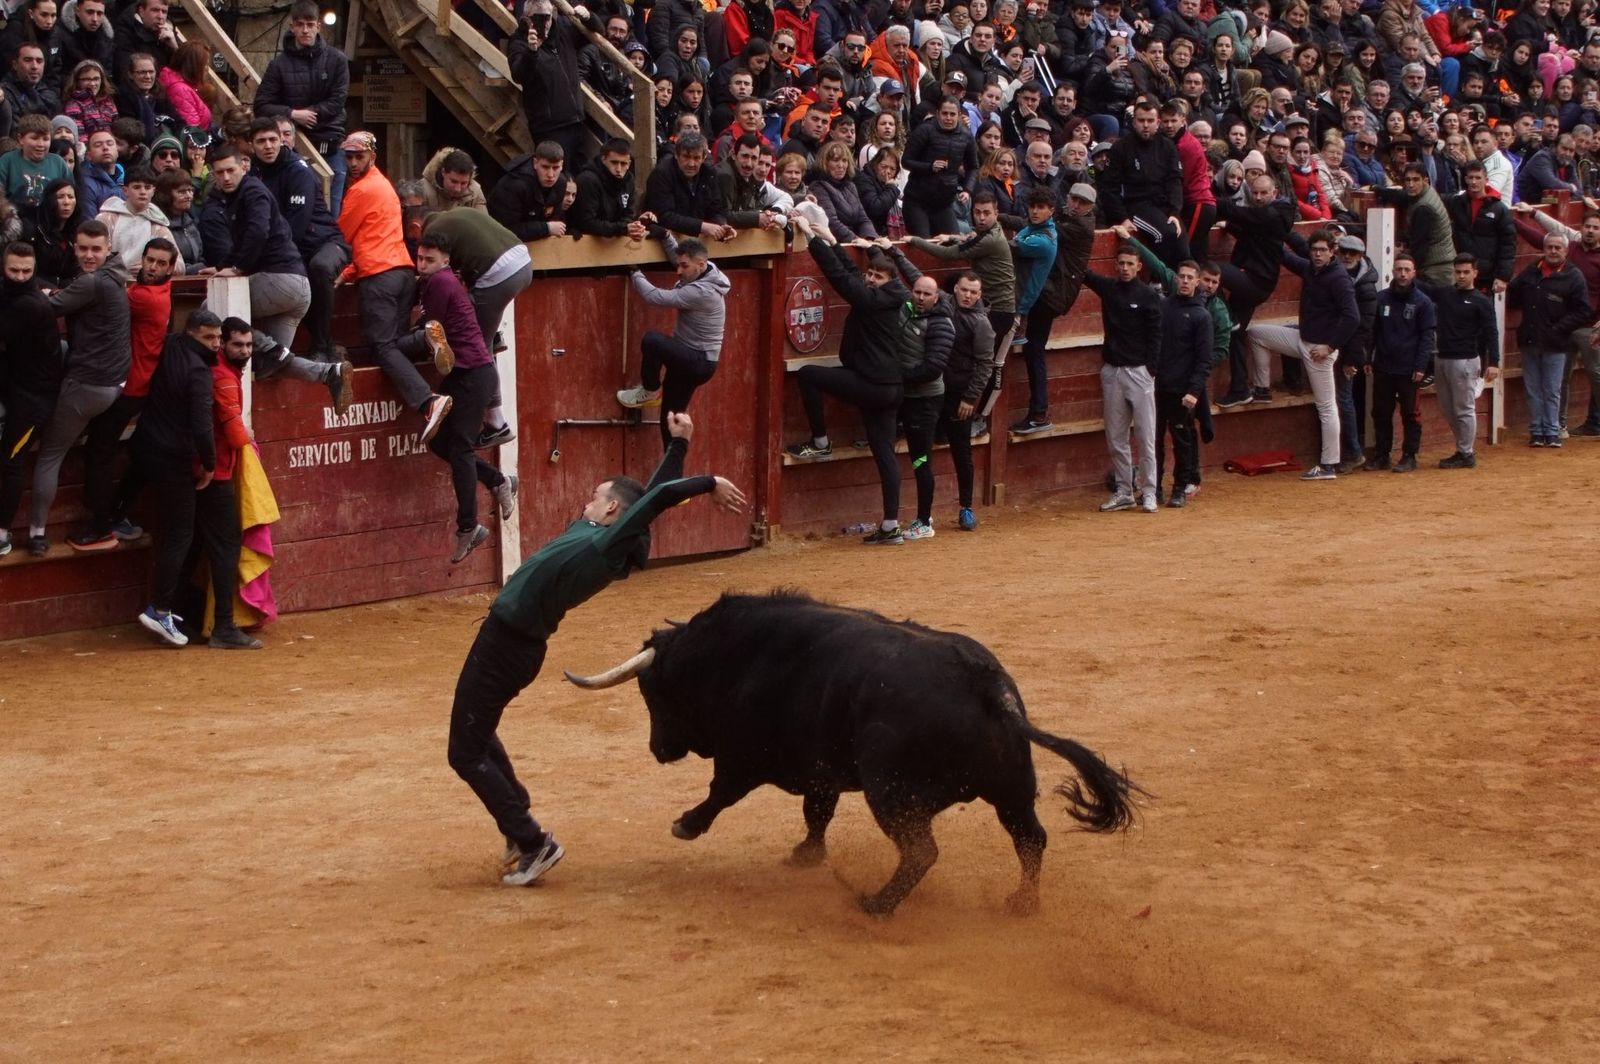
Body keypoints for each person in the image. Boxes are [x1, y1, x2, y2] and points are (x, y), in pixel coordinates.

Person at [450, 410, 745, 886]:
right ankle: (516, 825)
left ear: (611, 511)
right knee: (476, 736)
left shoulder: (604, 546)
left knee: (464, 752)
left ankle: (532, 842)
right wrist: (678, 445)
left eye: (595, 497)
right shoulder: (601, 535)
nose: (587, 502)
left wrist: (709, 480)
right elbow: (652, 498)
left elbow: (658, 499)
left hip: (507, 646)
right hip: (509, 642)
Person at [785, 218, 909, 544]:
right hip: (889, 387)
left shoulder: (873, 300)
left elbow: (841, 278)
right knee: (885, 454)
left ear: (889, 280)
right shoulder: (888, 296)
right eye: (870, 273)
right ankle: (890, 526)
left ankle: (820, 443)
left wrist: (812, 238)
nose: (870, 279)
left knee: (808, 375)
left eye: (877, 276)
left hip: (871, 385)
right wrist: (829, 238)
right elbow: (852, 275)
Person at [401, 231, 518, 561]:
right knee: (440, 442)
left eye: (430, 260)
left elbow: (430, 329)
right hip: (465, 374)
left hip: (471, 375)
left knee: (460, 446)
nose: (422, 265)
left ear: (445, 261)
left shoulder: (440, 283)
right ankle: (498, 481)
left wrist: (397, 345)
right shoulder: (442, 280)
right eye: (420, 258)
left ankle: (469, 526)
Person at [338, 129, 452, 443]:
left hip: (379, 275)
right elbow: (371, 234)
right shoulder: (384, 186)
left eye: (358, 156)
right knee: (395, 342)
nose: (352, 162)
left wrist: (344, 269)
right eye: (348, 156)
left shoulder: (361, 190)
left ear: (372, 157)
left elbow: (343, 233)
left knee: (383, 347)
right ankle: (424, 338)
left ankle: (428, 402)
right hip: (402, 269)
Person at [23, 219, 128, 556]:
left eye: (95, 249)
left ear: (107, 248)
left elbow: (44, 309)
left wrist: (32, 289)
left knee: (50, 455)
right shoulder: (113, 276)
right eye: (83, 248)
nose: (88, 255)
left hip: (89, 385)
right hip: (111, 383)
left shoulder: (94, 283)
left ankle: (37, 532)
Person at [66, 236, 175, 551]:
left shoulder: (144, 297)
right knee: (104, 450)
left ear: (170, 269)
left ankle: (101, 526)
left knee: (100, 452)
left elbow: (98, 296)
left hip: (129, 386)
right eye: (150, 260)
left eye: (161, 263)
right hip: (133, 383)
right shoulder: (155, 291)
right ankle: (111, 516)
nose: (153, 267)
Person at [172, 317, 265, 650]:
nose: (244, 350)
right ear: (222, 344)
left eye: (249, 345)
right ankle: (223, 626)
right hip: (215, 472)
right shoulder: (223, 377)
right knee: (224, 548)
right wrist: (246, 438)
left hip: (194, 469)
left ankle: (185, 618)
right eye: (237, 344)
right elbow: (231, 427)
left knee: (191, 545)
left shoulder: (215, 370)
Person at [131, 309, 218, 648]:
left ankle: (110, 517)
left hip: (144, 445)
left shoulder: (170, 346)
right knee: (182, 530)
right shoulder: (199, 372)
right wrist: (209, 464)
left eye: (217, 338)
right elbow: (201, 425)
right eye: (209, 338)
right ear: (193, 334)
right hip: (172, 457)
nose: (216, 345)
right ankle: (161, 607)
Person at [1245, 227, 1359, 480]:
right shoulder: (1312, 268)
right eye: (1314, 250)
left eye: (1322, 250)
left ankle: (1329, 465)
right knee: (1256, 333)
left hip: (1320, 350)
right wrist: (1267, 234)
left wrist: (1330, 346)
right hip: (1303, 340)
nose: (1317, 254)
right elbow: (1287, 258)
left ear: (1333, 252)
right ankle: (1262, 388)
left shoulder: (1339, 278)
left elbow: (1352, 317)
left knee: (1327, 407)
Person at [421, 207, 534, 446]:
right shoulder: (460, 214)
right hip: (523, 262)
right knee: (480, 320)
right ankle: (495, 337)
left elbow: (448, 277)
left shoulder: (433, 234)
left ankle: (496, 422)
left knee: (478, 346)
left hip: (499, 273)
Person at [616, 233, 733, 448]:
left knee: (652, 340)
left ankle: (650, 389)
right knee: (670, 422)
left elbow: (655, 297)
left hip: (697, 360)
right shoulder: (706, 270)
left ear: (700, 264)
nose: (678, 271)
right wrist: (665, 235)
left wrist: (634, 272)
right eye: (679, 265)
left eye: (683, 267)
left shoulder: (702, 292)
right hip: (693, 359)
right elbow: (679, 257)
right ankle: (673, 476)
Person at [248, 117, 350, 364]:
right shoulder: (254, 172)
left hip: (325, 242)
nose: (268, 146)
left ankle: (322, 345)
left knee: (319, 267)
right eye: (261, 141)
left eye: (273, 139)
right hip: (287, 249)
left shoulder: (298, 171)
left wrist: (273, 258)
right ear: (252, 146)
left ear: (283, 141)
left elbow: (297, 224)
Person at [879, 240, 955, 540]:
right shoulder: (907, 308)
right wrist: (886, 250)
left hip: (924, 400)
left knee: (921, 458)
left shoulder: (942, 324)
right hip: (904, 396)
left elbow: (932, 368)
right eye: (918, 292)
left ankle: (924, 520)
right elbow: (902, 276)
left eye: (927, 294)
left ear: (937, 298)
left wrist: (897, 379)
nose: (921, 297)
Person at [254, 0, 351, 216]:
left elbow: (338, 100)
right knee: (295, 212)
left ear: (319, 26)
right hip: (295, 148)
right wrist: (293, 114)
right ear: (292, 27)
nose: (305, 30)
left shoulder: (337, 60)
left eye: (309, 24)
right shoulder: (279, 65)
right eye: (300, 25)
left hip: (331, 145)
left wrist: (313, 113)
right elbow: (261, 105)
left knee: (330, 214)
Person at [1085, 243, 1162, 513]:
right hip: (1113, 371)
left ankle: (1150, 491)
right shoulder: (1109, 288)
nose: (1126, 268)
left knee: (1145, 436)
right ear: (1116, 265)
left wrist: (1150, 370)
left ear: (1139, 266)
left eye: (1131, 264)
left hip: (1139, 372)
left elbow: (1156, 335)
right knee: (1116, 437)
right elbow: (1083, 273)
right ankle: (1124, 490)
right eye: (1122, 264)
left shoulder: (1149, 296)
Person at [1214, 174, 1297, 407]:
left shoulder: (1275, 212)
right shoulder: (1266, 217)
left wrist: (1210, 201)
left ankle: (1225, 316)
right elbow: (1251, 232)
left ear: (1274, 193)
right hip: (1253, 280)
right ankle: (1240, 388)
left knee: (1211, 271)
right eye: (1255, 193)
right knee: (1236, 334)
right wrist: (1230, 226)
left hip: (1254, 281)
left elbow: (1245, 215)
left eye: (1263, 193)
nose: (1258, 198)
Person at [0, 241, 62, 558]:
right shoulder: (22, 292)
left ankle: (2, 530)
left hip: (35, 399)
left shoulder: (30, 304)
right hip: (16, 387)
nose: (21, 277)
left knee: (11, 461)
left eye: (27, 271)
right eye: (14, 270)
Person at [1508, 229, 1591, 447]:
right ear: (1543, 249)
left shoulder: (1573, 276)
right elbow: (1513, 294)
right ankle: (1537, 431)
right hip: (1530, 339)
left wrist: (1558, 329)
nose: (1553, 251)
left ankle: (1552, 431)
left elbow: (1583, 311)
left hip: (1556, 342)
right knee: (1534, 389)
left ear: (1565, 251)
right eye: (1549, 247)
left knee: (1552, 389)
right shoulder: (1532, 271)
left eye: (1557, 248)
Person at [1422, 254, 1500, 468]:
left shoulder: (1481, 301)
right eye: (1458, 272)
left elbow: (1491, 332)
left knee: (1464, 408)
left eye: (1466, 272)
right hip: (1443, 358)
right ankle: (1463, 448)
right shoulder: (1446, 294)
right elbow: (1424, 288)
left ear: (1475, 272)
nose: (1462, 276)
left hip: (1465, 360)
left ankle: (1466, 452)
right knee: (1448, 408)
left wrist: (1494, 361)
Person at [1364, 253, 1436, 473]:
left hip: (1409, 369)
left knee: (1410, 414)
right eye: (1399, 269)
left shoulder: (1423, 302)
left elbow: (1426, 337)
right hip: (1384, 365)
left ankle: (1409, 455)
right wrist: (1368, 358)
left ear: (1414, 273)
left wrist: (1420, 366)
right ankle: (1382, 454)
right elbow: (1373, 332)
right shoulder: (1382, 298)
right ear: (1392, 272)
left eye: (1407, 270)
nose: (1402, 274)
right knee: (1381, 411)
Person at [508, 0, 601, 165]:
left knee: (575, 178)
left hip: (575, 120)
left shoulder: (562, 32)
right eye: (538, 18)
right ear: (526, 18)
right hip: (549, 127)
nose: (545, 23)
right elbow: (519, 75)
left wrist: (588, 17)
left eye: (548, 17)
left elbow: (599, 32)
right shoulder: (518, 41)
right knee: (555, 178)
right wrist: (531, 51)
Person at [1098, 99, 1185, 268]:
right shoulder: (1120, 148)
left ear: (1158, 122)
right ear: (1133, 122)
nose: (1146, 125)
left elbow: (1175, 181)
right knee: (1164, 235)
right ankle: (1157, 281)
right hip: (1137, 205)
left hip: (1164, 206)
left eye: (1150, 120)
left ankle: (1179, 290)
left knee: (1184, 250)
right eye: (1141, 120)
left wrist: (1175, 212)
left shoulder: (1167, 146)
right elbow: (1109, 188)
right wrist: (1121, 217)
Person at [1007, 185, 1059, 435]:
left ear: (1051, 211)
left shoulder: (1043, 240)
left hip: (1038, 305)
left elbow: (1013, 245)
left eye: (1041, 208)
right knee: (1032, 353)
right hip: (1036, 302)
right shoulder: (1034, 229)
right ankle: (1038, 412)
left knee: (1034, 353)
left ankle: (1039, 413)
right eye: (1033, 207)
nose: (1035, 212)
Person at [900, 95, 977, 237]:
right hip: (917, 200)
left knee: (953, 243)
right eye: (944, 113)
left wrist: (968, 189)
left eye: (952, 114)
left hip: (944, 203)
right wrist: (929, 167)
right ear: (937, 114)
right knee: (924, 245)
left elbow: (973, 167)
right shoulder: (924, 130)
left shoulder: (966, 136)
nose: (948, 118)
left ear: (959, 115)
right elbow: (906, 161)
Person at [1444, 160, 1515, 294]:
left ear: (1486, 179)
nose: (1474, 182)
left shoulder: (1499, 209)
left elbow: (1508, 244)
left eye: (1478, 178)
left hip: (1485, 274)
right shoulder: (1455, 202)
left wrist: (1503, 277)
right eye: (1471, 178)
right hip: (1460, 272)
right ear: (1465, 179)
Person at [643, 132, 732, 239]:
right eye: (686, 156)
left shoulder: (709, 173)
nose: (691, 163)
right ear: (676, 154)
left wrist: (722, 225)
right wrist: (702, 226)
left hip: (698, 241)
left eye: (696, 158)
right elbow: (664, 216)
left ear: (704, 158)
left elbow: (716, 208)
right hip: (662, 241)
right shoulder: (661, 174)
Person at [96, 165, 179, 270]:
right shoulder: (106, 218)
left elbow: (178, 265)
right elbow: (93, 253)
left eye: (147, 187)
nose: (143, 192)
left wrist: (151, 266)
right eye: (137, 187)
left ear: (153, 191)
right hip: (109, 281)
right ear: (125, 190)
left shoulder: (158, 225)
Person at [1, 113, 72, 209]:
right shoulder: (7, 161)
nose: (41, 144)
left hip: (50, 218)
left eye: (46, 139)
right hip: (17, 218)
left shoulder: (58, 163)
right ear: (20, 139)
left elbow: (70, 193)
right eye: (34, 138)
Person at [420, 147, 488, 213]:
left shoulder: (475, 192)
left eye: (463, 183)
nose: (457, 189)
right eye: (454, 181)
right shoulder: (421, 190)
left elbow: (484, 222)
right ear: (443, 172)